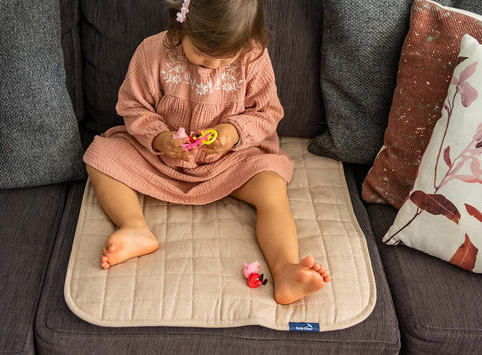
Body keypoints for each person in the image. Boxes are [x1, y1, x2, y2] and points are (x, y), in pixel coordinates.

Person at [83, 0, 331, 305]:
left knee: (272, 187)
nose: (212, 66)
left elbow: (268, 111)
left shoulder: (253, 57)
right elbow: (132, 106)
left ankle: (285, 270)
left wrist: (234, 132)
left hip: (230, 161)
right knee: (101, 156)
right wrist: (159, 138)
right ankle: (134, 227)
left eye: (224, 60)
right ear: (181, 27)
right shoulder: (152, 52)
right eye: (201, 55)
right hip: (160, 158)